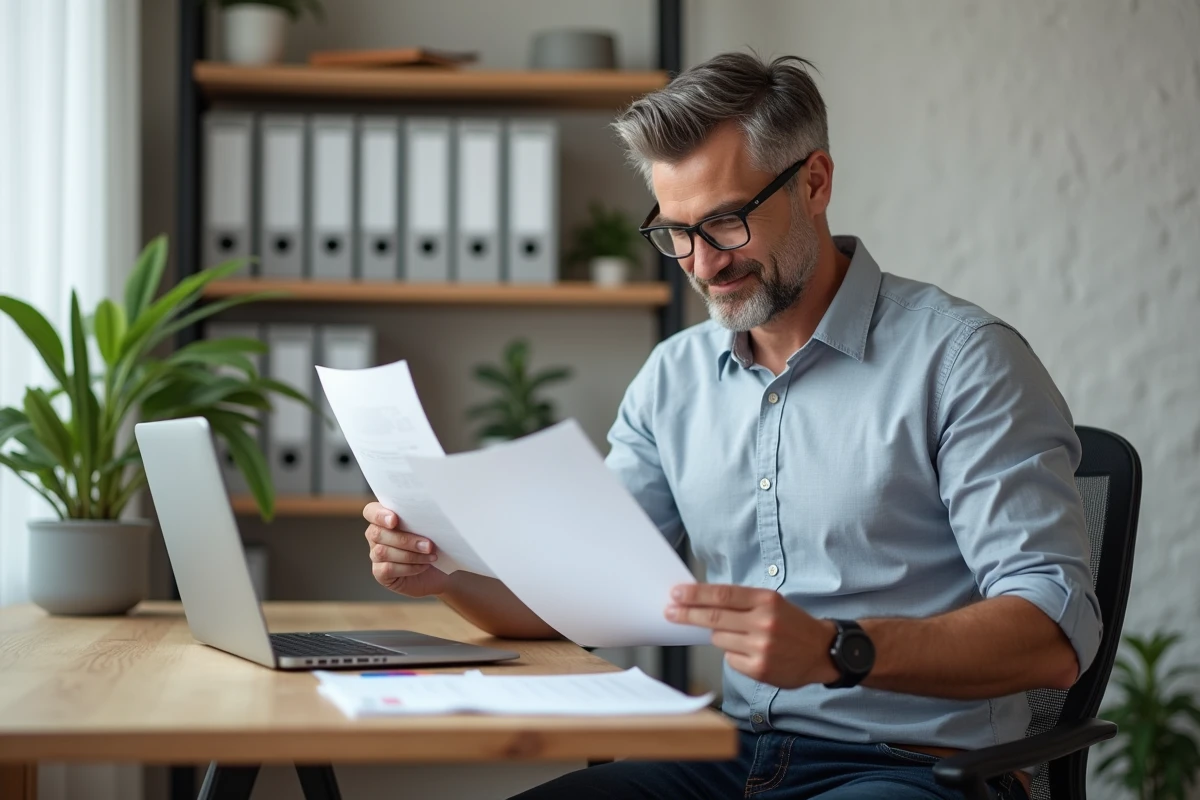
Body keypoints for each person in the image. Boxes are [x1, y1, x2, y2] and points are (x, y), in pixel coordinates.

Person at [361, 52, 1100, 800]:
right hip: (727, 755)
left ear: (815, 182)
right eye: (675, 231)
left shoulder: (965, 360)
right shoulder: (673, 380)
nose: (702, 264)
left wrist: (838, 651)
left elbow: (1052, 635)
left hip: (916, 769)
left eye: (725, 221)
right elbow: (579, 599)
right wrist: (443, 575)